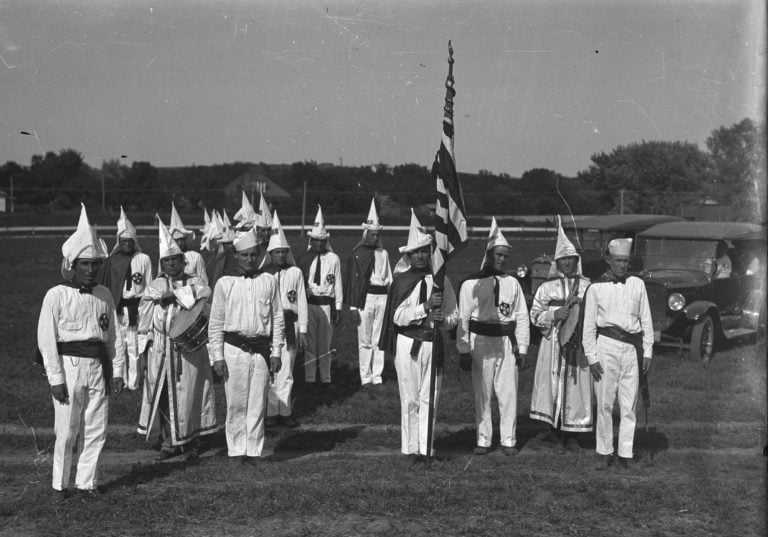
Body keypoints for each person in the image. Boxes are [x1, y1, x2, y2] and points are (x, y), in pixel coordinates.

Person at [37, 204, 125, 498]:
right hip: (69, 366)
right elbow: (47, 340)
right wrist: (56, 378)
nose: (90, 270)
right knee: (67, 429)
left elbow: (114, 336)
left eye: (95, 264)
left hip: (98, 367)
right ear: (72, 265)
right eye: (84, 264)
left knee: (96, 427)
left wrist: (118, 371)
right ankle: (60, 484)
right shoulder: (57, 295)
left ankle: (87, 482)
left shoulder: (104, 295)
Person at [379, 210, 458, 461]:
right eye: (417, 252)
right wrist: (424, 307)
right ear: (409, 255)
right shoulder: (401, 282)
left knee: (429, 397)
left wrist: (443, 319)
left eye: (426, 250)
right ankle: (411, 447)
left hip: (432, 343)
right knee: (410, 397)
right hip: (408, 343)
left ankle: (427, 448)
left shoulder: (442, 281)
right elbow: (397, 316)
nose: (422, 255)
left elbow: (455, 314)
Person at [137, 218, 217, 461]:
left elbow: (206, 292)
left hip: (189, 349)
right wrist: (142, 352)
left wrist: (175, 294)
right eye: (167, 261)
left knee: (190, 393)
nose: (172, 264)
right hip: (161, 348)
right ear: (162, 264)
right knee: (163, 394)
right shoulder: (155, 286)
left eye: (176, 259)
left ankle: (191, 440)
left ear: (184, 260)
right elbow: (144, 322)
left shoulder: (195, 281)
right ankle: (169, 441)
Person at [208, 228, 285, 464]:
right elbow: (216, 323)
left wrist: (276, 351)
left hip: (261, 350)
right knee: (236, 402)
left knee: (257, 402)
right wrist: (217, 357)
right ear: (236, 256)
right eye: (245, 256)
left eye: (254, 255)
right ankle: (235, 450)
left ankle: (254, 451)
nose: (250, 260)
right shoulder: (225, 283)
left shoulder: (269, 281)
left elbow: (277, 318)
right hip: (234, 350)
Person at [457, 218, 529, 456]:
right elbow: (464, 318)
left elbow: (522, 317)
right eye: (497, 255)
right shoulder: (471, 284)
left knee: (508, 392)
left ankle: (508, 439)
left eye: (505, 257)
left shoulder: (513, 284)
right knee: (483, 392)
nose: (501, 260)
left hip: (506, 343)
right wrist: (464, 349)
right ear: (487, 255)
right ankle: (484, 438)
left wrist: (524, 349)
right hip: (480, 342)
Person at [582, 238, 653, 470]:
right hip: (606, 347)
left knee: (629, 403)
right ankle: (604, 452)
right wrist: (592, 358)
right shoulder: (596, 288)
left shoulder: (637, 284)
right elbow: (589, 328)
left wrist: (648, 351)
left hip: (632, 350)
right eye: (618, 261)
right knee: (604, 402)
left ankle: (626, 452)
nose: (622, 266)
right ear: (608, 260)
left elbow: (647, 321)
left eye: (625, 261)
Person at [529, 216, 593, 453]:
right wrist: (554, 315)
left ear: (577, 260)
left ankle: (573, 432)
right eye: (563, 259)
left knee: (576, 386)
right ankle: (553, 431)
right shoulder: (547, 288)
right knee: (552, 383)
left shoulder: (587, 286)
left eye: (571, 258)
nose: (567, 262)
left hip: (577, 346)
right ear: (557, 261)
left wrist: (579, 309)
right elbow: (535, 314)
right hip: (552, 344)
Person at [262, 211, 308, 428]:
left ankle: (286, 410)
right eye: (276, 252)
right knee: (272, 369)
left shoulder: (295, 272)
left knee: (287, 368)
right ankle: (272, 411)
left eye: (283, 252)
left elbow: (302, 301)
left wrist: (304, 329)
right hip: (271, 325)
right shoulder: (264, 275)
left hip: (290, 323)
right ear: (270, 253)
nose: (280, 256)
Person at [101, 207, 153, 391]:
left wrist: (146, 311)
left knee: (135, 345)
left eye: (130, 241)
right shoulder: (111, 262)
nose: (127, 244)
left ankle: (134, 382)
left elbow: (149, 286)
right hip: (118, 308)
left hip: (136, 309)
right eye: (124, 241)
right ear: (119, 242)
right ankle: (118, 378)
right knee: (119, 344)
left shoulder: (144, 259)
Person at [343, 198, 393, 387]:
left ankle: (377, 375)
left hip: (382, 297)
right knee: (364, 338)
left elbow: (388, 278)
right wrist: (354, 307)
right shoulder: (358, 254)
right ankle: (365, 376)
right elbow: (355, 282)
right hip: (366, 298)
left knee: (378, 337)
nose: (375, 238)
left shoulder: (384, 254)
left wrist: (389, 299)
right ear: (366, 235)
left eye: (377, 235)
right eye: (372, 235)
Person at [296, 206, 343, 388]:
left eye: (323, 241)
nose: (320, 245)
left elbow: (337, 283)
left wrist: (338, 308)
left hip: (326, 305)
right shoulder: (305, 259)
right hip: (309, 305)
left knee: (325, 343)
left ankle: (325, 378)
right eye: (316, 241)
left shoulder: (334, 259)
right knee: (310, 343)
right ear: (311, 240)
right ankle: (309, 377)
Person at [170, 201, 208, 285]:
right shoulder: (166, 259)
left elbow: (204, 281)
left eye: (182, 239)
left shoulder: (195, 257)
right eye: (176, 240)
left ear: (186, 239)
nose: (179, 243)